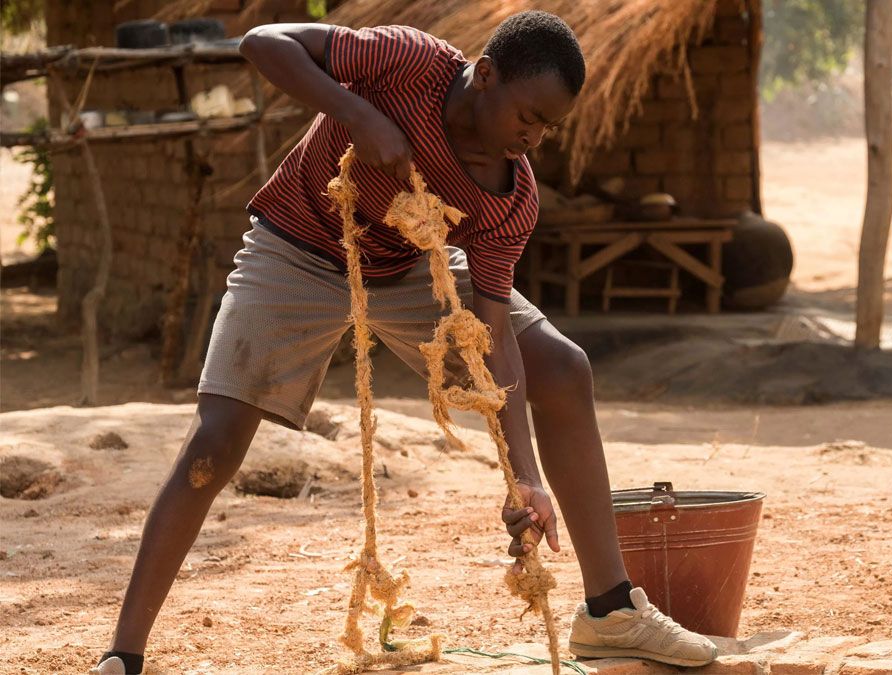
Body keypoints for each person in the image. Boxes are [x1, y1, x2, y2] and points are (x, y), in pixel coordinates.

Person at [91, 11, 718, 675]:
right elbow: (260, 43)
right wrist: (355, 113)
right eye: (527, 116)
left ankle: (610, 609)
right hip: (297, 249)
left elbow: (492, 331)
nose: (531, 138)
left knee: (562, 366)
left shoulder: (510, 196)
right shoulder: (408, 63)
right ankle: (123, 652)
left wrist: (523, 474)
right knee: (213, 446)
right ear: (486, 77)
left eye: (546, 128)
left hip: (411, 268)